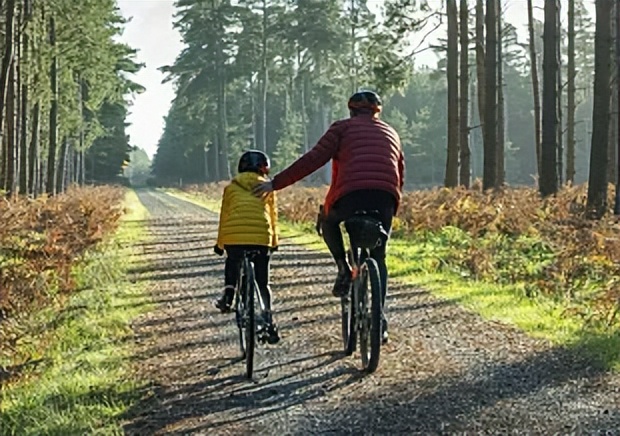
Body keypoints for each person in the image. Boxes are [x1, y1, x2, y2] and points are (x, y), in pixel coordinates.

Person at [253, 90, 404, 343]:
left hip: (350, 197)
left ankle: (343, 268)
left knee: (328, 220)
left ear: (351, 110)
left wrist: (276, 183)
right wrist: (392, 204)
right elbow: (399, 171)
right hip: (385, 198)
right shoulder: (391, 132)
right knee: (379, 255)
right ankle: (380, 319)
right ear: (378, 111)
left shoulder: (341, 129)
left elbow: (313, 159)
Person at [214, 150, 280, 344]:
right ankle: (268, 317)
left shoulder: (231, 188)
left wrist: (220, 244)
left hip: (235, 237)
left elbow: (224, 217)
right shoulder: (268, 188)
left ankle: (228, 294)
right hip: (261, 238)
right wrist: (274, 242)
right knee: (262, 282)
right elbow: (273, 217)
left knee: (233, 261)